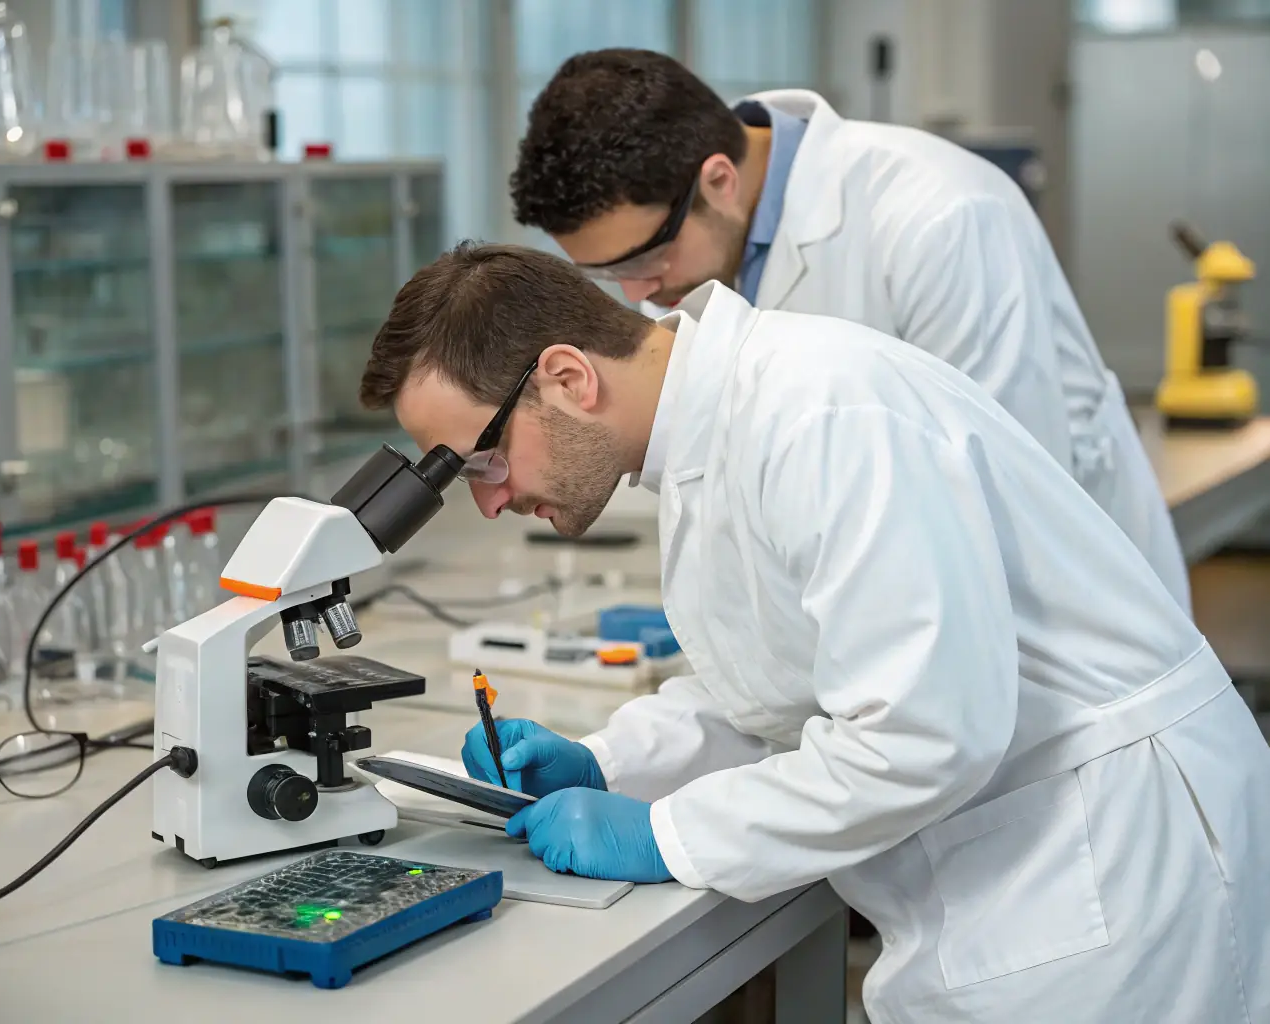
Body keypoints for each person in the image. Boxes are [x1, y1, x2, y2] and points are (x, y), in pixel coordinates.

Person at [359, 242, 1270, 1024]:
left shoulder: (821, 413)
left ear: (568, 378)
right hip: (1014, 866)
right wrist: (609, 763)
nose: (488, 502)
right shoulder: (713, 433)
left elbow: (919, 734)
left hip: (1112, 871)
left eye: (483, 460)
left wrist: (667, 835)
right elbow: (783, 682)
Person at [509, 48, 1190, 613]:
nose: (636, 293)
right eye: (607, 273)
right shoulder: (693, 242)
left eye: (643, 259)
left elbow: (999, 493)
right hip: (872, 621)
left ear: (717, 180)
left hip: (1059, 626)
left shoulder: (939, 217)